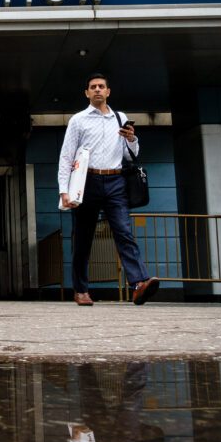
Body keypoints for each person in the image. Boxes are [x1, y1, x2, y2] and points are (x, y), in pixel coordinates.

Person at [58, 73, 159, 307]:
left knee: (124, 231)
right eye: (92, 87)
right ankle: (81, 290)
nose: (97, 90)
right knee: (82, 238)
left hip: (115, 182)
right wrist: (64, 191)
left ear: (108, 91)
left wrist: (132, 139)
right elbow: (66, 156)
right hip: (87, 182)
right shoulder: (78, 120)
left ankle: (138, 283)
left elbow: (130, 154)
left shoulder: (119, 118)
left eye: (101, 86)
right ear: (87, 93)